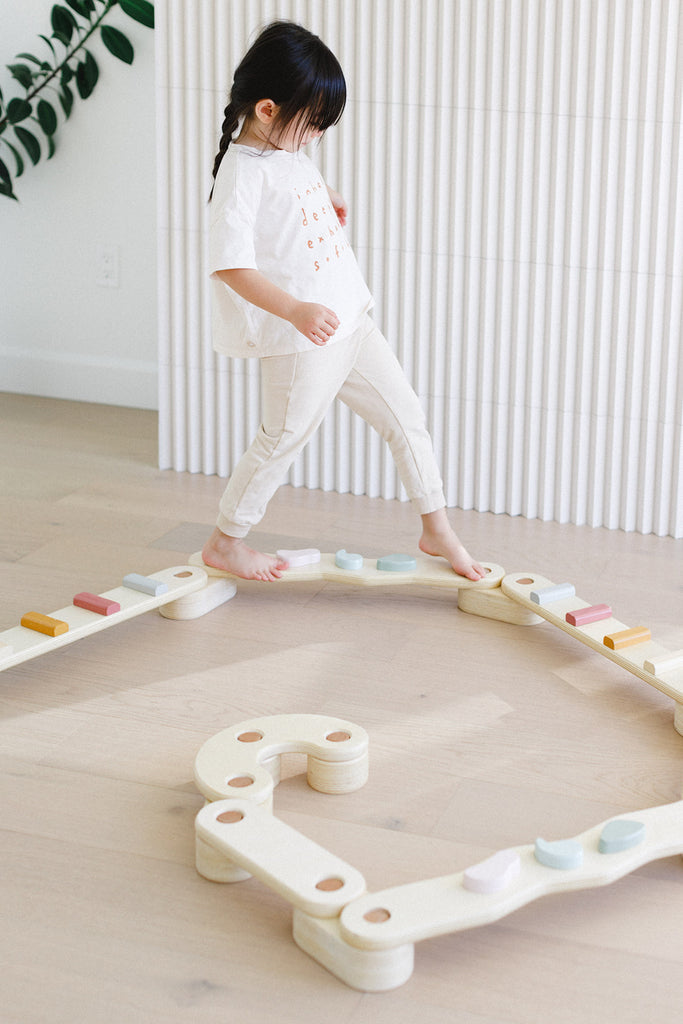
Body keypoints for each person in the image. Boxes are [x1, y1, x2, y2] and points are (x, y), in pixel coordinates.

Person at [201, 21, 485, 583]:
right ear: (265, 110)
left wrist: (325, 196)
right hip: (304, 338)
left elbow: (293, 182)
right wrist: (295, 312)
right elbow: (231, 265)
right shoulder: (240, 175)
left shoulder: (285, 147)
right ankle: (225, 542)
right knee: (283, 438)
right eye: (313, 124)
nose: (316, 137)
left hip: (351, 319)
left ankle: (437, 527)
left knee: (407, 418)